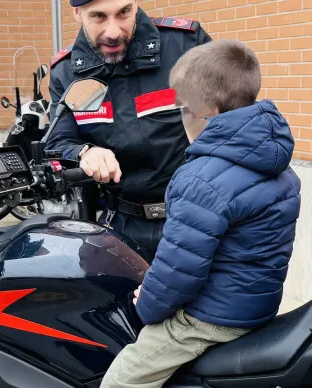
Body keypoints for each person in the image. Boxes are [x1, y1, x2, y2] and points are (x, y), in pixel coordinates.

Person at [0, 40, 301, 388]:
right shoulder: (272, 159)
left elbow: (180, 269)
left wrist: (150, 305)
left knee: (127, 372)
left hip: (213, 316)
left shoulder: (202, 177)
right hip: (254, 303)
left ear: (205, 112)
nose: (180, 116)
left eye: (182, 107)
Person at [46, 0, 212, 261]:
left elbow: (230, 122)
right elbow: (58, 140)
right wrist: (84, 153)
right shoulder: (66, 72)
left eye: (123, 12)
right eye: (99, 16)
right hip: (120, 229)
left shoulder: (185, 46)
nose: (113, 32)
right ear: (77, 13)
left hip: (196, 220)